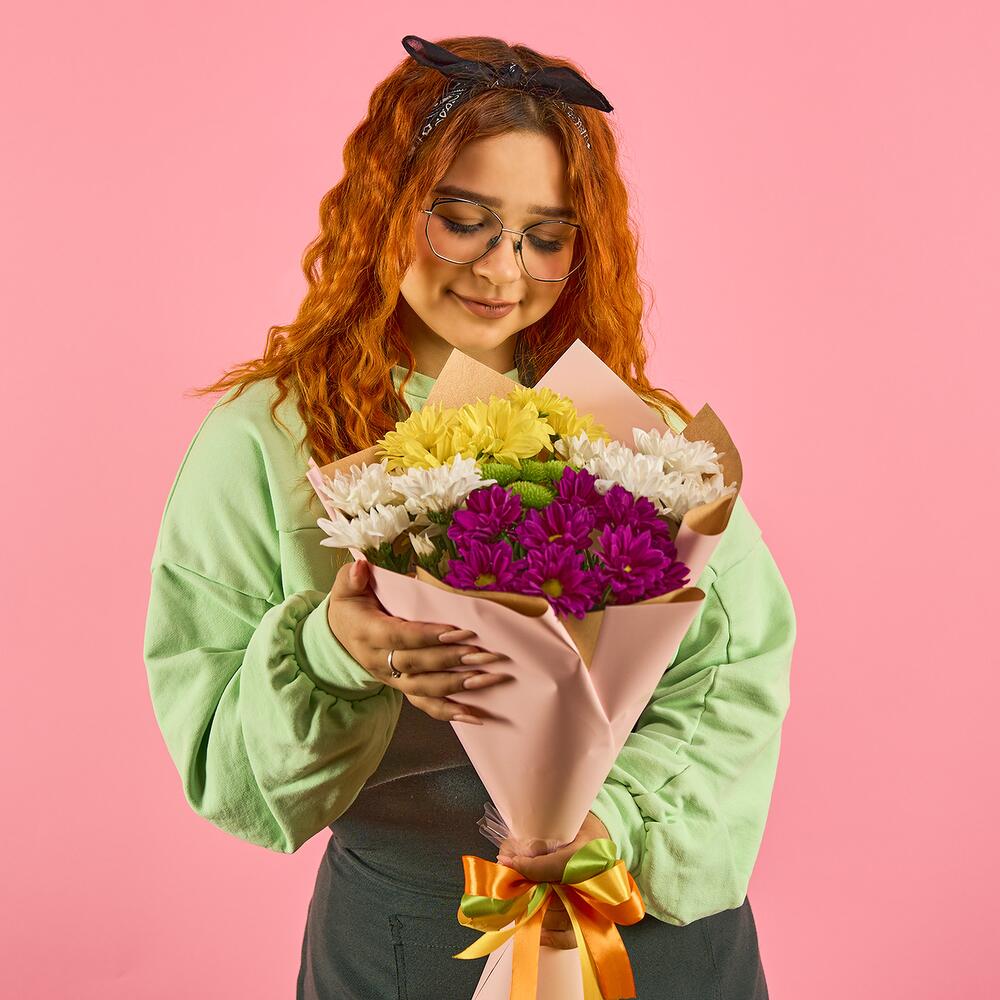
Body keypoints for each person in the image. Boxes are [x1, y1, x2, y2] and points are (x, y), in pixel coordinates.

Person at [142, 33, 796, 1000]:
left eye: (547, 237)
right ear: (386, 205)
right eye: (463, 221)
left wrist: (607, 827)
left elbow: (736, 666)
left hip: (641, 916)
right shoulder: (267, 440)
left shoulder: (627, 430)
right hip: (409, 940)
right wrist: (334, 649)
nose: (503, 270)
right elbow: (226, 772)